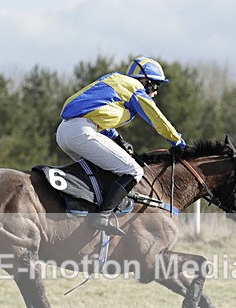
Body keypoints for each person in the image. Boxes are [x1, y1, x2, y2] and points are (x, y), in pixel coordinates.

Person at [56, 56, 187, 236]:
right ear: (144, 81)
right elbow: (156, 118)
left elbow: (98, 114)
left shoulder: (116, 81)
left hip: (64, 132)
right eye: (155, 86)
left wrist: (118, 140)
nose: (155, 93)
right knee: (134, 171)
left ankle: (85, 212)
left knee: (102, 173)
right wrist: (177, 141)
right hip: (81, 131)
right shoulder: (135, 88)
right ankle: (102, 216)